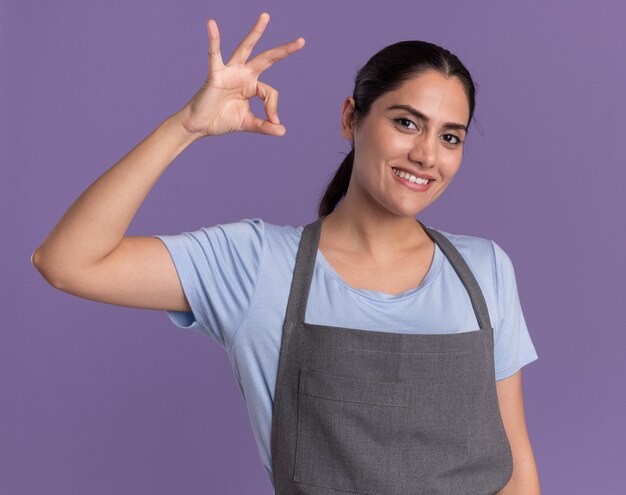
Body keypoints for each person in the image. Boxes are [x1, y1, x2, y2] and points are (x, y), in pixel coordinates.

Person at [31, 11, 540, 494]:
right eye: (406, 122)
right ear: (350, 118)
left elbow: (515, 466)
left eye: (450, 137)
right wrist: (185, 126)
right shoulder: (256, 266)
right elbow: (67, 262)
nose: (427, 154)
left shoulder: (484, 269)